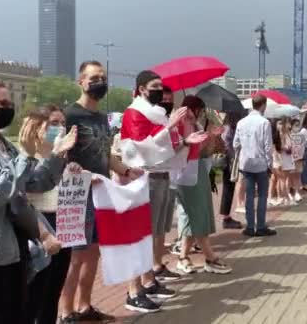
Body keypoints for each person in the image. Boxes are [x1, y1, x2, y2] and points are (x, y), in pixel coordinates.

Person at [0, 78, 75, 323]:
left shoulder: (5, 146)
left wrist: (55, 156)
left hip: (15, 251)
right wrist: (25, 154)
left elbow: (34, 184)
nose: (8, 107)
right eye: (1, 102)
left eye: (9, 102)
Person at [60, 61, 145, 323]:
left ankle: (85, 306)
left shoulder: (101, 117)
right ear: (81, 82)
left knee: (94, 252)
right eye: (94, 77)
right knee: (75, 257)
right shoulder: (69, 116)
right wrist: (76, 174)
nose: (100, 82)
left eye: (103, 77)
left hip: (101, 196)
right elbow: (57, 156)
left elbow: (104, 154)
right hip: (75, 197)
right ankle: (66, 312)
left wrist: (127, 171)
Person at [119, 71, 207, 312]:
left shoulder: (157, 114)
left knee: (154, 232)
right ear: (141, 89)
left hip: (160, 176)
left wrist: (187, 142)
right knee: (139, 235)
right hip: (142, 178)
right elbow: (142, 148)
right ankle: (133, 290)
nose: (160, 91)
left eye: (161, 86)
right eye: (154, 86)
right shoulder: (134, 112)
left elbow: (167, 147)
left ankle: (148, 280)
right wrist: (169, 126)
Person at [25, 105, 83, 324]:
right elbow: (31, 188)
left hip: (63, 222)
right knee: (36, 291)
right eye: (53, 123)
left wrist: (72, 171)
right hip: (39, 224)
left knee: (53, 290)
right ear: (38, 125)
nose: (59, 128)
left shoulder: (61, 156)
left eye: (62, 123)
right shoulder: (27, 156)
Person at [174, 96, 232, 274]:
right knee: (197, 214)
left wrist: (213, 138)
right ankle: (210, 257)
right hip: (186, 175)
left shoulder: (196, 126)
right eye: (199, 109)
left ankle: (184, 256)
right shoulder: (179, 125)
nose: (199, 113)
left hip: (198, 172)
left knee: (196, 215)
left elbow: (204, 153)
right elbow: (187, 151)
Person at [233, 95, 277, 237]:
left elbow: (235, 144)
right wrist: (270, 165)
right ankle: (261, 226)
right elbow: (268, 146)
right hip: (261, 164)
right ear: (263, 105)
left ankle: (250, 226)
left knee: (249, 195)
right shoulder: (264, 123)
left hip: (246, 163)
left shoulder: (241, 122)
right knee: (263, 196)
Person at [219, 112, 245, 229]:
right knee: (228, 188)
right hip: (228, 161)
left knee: (229, 187)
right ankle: (226, 217)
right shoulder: (229, 128)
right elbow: (227, 145)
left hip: (229, 160)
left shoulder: (229, 127)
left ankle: (226, 216)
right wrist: (233, 157)